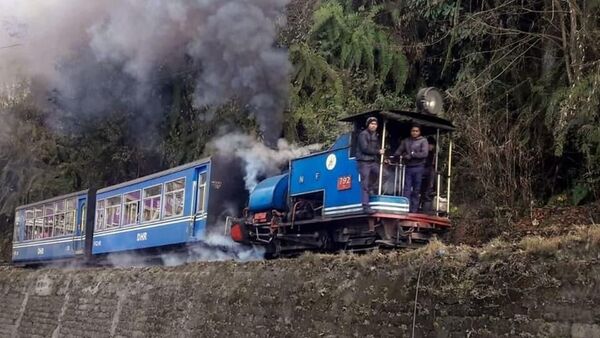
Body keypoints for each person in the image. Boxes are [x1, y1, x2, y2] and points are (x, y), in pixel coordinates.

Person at [394, 124, 428, 213]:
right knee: (407, 188)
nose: (414, 133)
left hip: (419, 167)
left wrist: (412, 155)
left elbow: (424, 154)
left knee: (416, 189)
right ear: (410, 131)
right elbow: (398, 151)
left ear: (419, 132)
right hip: (408, 167)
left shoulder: (423, 141)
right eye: (413, 131)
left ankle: (414, 210)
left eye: (416, 131)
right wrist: (399, 156)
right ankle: (405, 208)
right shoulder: (406, 141)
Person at [356, 117, 384, 214]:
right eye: (372, 124)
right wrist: (378, 152)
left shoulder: (375, 135)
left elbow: (377, 148)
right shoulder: (363, 134)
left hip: (372, 161)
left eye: (375, 124)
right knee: (365, 185)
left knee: (384, 174)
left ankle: (372, 187)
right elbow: (365, 149)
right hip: (363, 162)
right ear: (368, 125)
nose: (373, 126)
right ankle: (365, 206)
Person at [420, 136, 436, 213]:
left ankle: (430, 191)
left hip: (426, 171)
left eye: (433, 146)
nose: (431, 147)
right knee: (431, 171)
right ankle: (429, 190)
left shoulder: (432, 154)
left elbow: (430, 164)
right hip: (419, 169)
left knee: (433, 172)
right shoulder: (423, 151)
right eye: (430, 145)